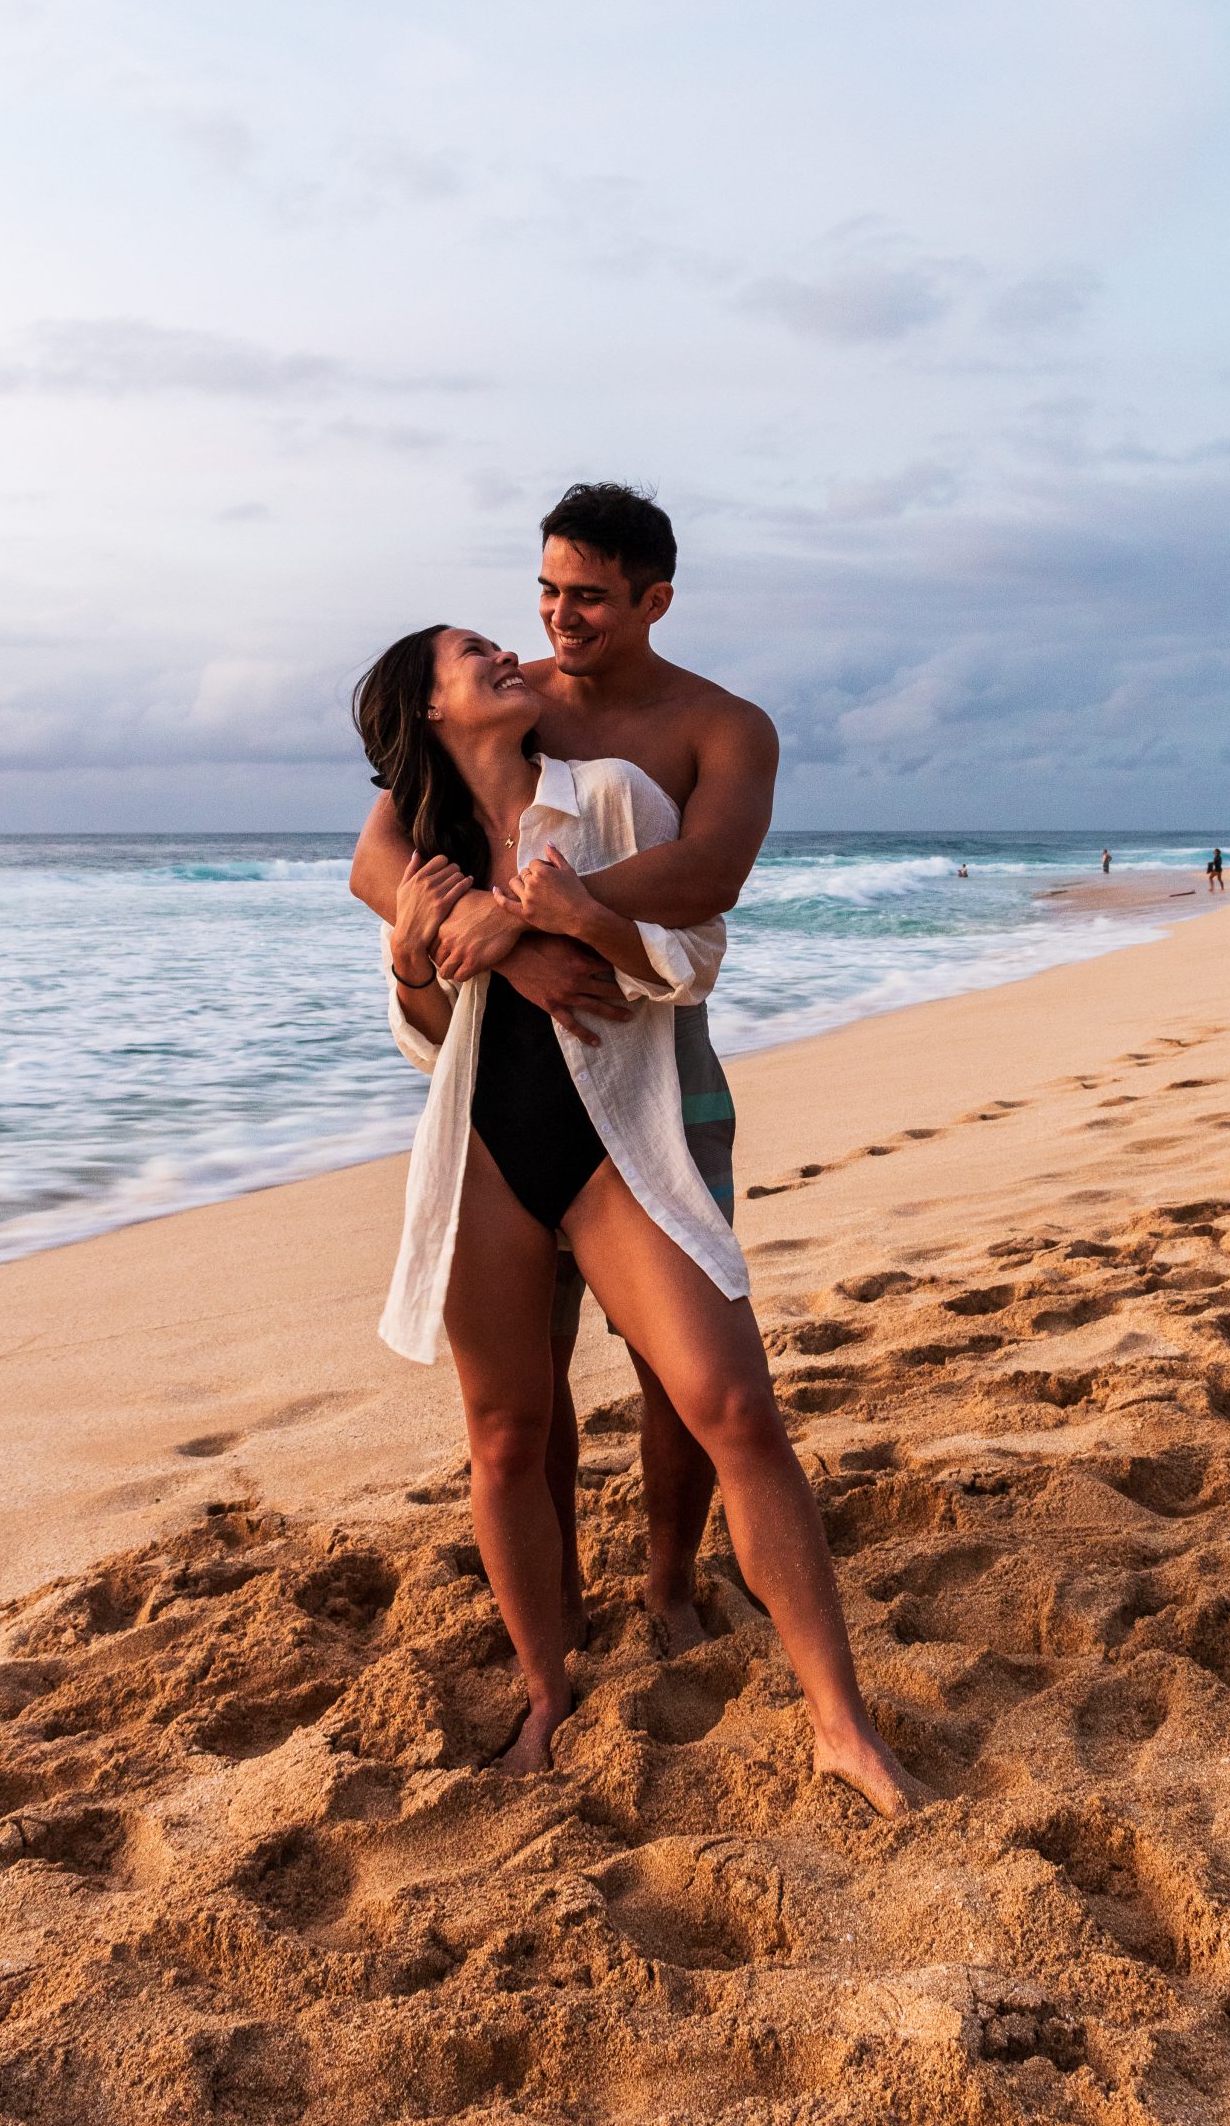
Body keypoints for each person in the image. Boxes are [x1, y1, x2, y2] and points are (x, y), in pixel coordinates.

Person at [352, 622, 923, 1816]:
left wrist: (576, 919)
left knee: (735, 1405)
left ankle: (841, 1723)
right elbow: (422, 1037)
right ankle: (547, 1687)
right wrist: (435, 958)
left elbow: (693, 955)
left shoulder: (608, 796)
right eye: (473, 653)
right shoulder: (426, 858)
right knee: (506, 1434)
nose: (512, 648)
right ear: (435, 709)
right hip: (486, 1150)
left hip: (620, 1138)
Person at [351, 485, 774, 1657]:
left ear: (654, 601)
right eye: (545, 590)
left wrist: (538, 925)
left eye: (587, 597)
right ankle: (560, 1614)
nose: (556, 618)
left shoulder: (717, 725)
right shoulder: (515, 695)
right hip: (518, 1082)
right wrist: (493, 942)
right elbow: (378, 856)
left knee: (676, 1361)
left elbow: (709, 877)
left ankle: (671, 1581)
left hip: (653, 1051)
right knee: (523, 1380)